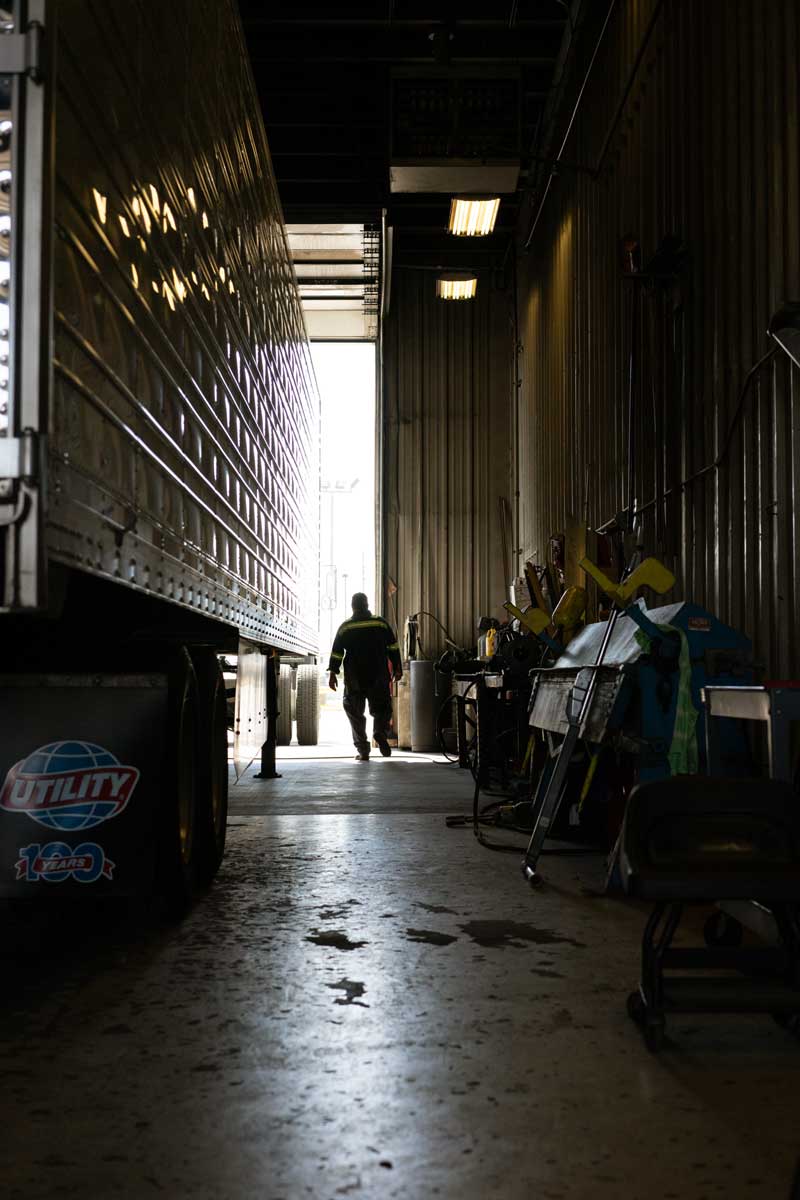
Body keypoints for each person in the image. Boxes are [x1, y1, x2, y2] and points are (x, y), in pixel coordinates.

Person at [327, 593, 402, 761]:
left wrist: (333, 674)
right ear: (367, 604)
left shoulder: (345, 627)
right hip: (378, 675)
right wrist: (398, 667)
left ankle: (363, 749)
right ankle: (379, 733)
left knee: (354, 711)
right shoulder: (381, 623)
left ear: (353, 606)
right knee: (382, 708)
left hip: (355, 678)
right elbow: (393, 647)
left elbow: (337, 652)